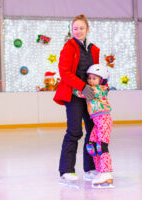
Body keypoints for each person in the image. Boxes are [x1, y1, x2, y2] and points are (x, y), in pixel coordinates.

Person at [53, 14, 100, 182]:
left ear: (87, 29)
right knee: (74, 131)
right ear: (71, 31)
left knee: (93, 131)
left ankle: (91, 168)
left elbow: (96, 72)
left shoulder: (94, 49)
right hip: (73, 95)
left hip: (90, 96)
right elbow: (64, 73)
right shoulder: (69, 47)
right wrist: (82, 87)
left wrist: (100, 85)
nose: (78, 31)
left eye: (81, 28)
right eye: (75, 29)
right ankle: (66, 170)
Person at [73, 64, 114, 188]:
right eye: (89, 78)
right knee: (92, 146)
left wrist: (70, 86)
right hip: (97, 122)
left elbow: (78, 92)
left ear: (101, 80)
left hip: (104, 119)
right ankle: (99, 171)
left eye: (94, 78)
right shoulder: (92, 88)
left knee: (101, 145)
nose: (90, 81)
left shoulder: (98, 89)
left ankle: (107, 173)